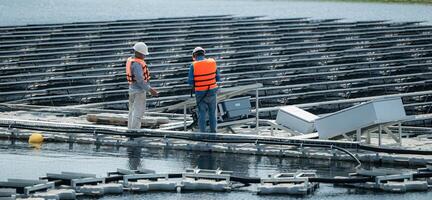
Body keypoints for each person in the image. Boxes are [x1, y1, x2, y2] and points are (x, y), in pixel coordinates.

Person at [126, 42, 159, 129]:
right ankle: (135, 131)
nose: (145, 56)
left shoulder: (132, 60)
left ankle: (131, 129)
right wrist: (150, 90)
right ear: (139, 53)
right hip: (138, 91)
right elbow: (140, 80)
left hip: (132, 89)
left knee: (132, 111)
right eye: (144, 54)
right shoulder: (137, 64)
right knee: (138, 112)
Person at [188, 47, 221, 133]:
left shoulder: (193, 65)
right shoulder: (212, 62)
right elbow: (218, 78)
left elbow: (190, 82)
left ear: (194, 55)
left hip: (200, 92)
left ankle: (203, 133)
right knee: (212, 112)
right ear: (204, 54)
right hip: (212, 90)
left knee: (202, 113)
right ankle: (213, 132)